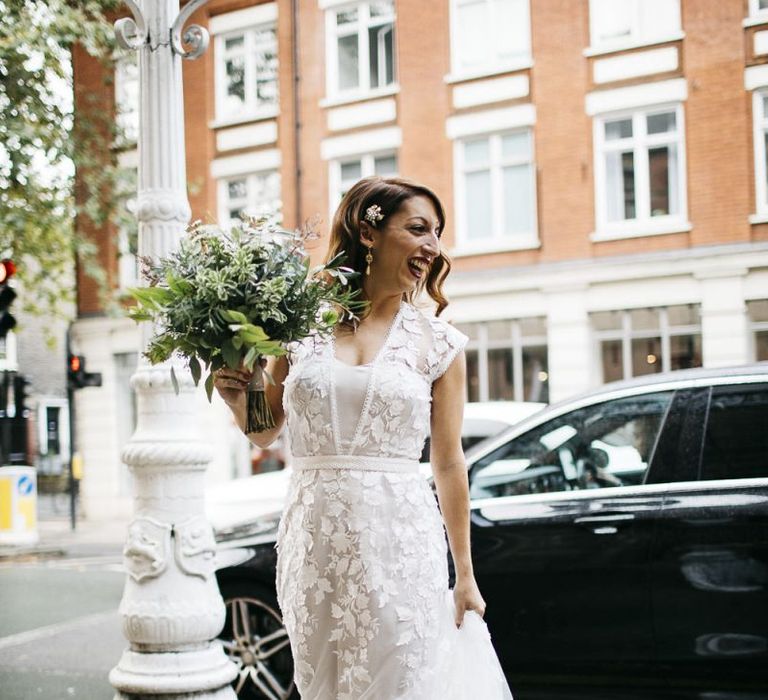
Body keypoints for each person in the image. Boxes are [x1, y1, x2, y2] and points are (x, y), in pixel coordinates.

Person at [214, 176, 513, 699]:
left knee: (400, 684)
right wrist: (240, 395)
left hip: (400, 545)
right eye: (418, 229)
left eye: (437, 234)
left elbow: (447, 463)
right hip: (313, 543)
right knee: (323, 686)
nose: (432, 248)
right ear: (369, 233)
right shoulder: (297, 325)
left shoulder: (439, 343)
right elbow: (265, 430)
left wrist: (465, 574)